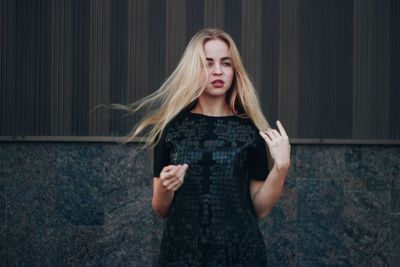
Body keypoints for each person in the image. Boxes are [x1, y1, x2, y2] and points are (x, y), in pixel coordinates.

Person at [121, 28, 290, 266]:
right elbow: (160, 208)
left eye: (226, 63)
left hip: (240, 254)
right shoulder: (171, 129)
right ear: (194, 69)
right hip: (181, 254)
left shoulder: (250, 130)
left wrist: (280, 168)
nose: (218, 71)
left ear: (235, 70)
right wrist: (167, 185)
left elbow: (260, 208)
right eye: (207, 63)